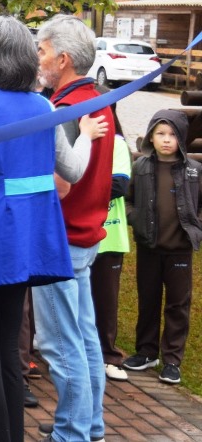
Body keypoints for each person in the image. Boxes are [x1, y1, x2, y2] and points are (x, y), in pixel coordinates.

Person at [0, 16, 106, 442]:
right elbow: (72, 170)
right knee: (6, 352)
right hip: (25, 245)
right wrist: (86, 136)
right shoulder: (44, 108)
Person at [34, 14, 115, 442]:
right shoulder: (97, 101)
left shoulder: (67, 110)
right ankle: (87, 423)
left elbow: (61, 185)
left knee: (60, 344)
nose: (38, 59)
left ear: (63, 59)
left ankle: (71, 432)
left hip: (61, 239)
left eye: (43, 51)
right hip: (84, 235)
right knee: (83, 338)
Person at [124, 110, 202, 386]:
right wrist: (135, 218)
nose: (166, 140)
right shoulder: (141, 167)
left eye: (172, 134)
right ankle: (146, 352)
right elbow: (128, 200)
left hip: (179, 250)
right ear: (150, 137)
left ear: (181, 138)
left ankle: (172, 360)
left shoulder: (195, 170)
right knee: (148, 299)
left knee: (178, 304)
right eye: (160, 134)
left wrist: (197, 227)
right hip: (149, 246)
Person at [92, 125, 132, 382]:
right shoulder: (74, 136)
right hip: (74, 233)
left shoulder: (116, 142)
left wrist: (80, 186)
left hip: (109, 235)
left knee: (105, 300)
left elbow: (119, 184)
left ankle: (109, 356)